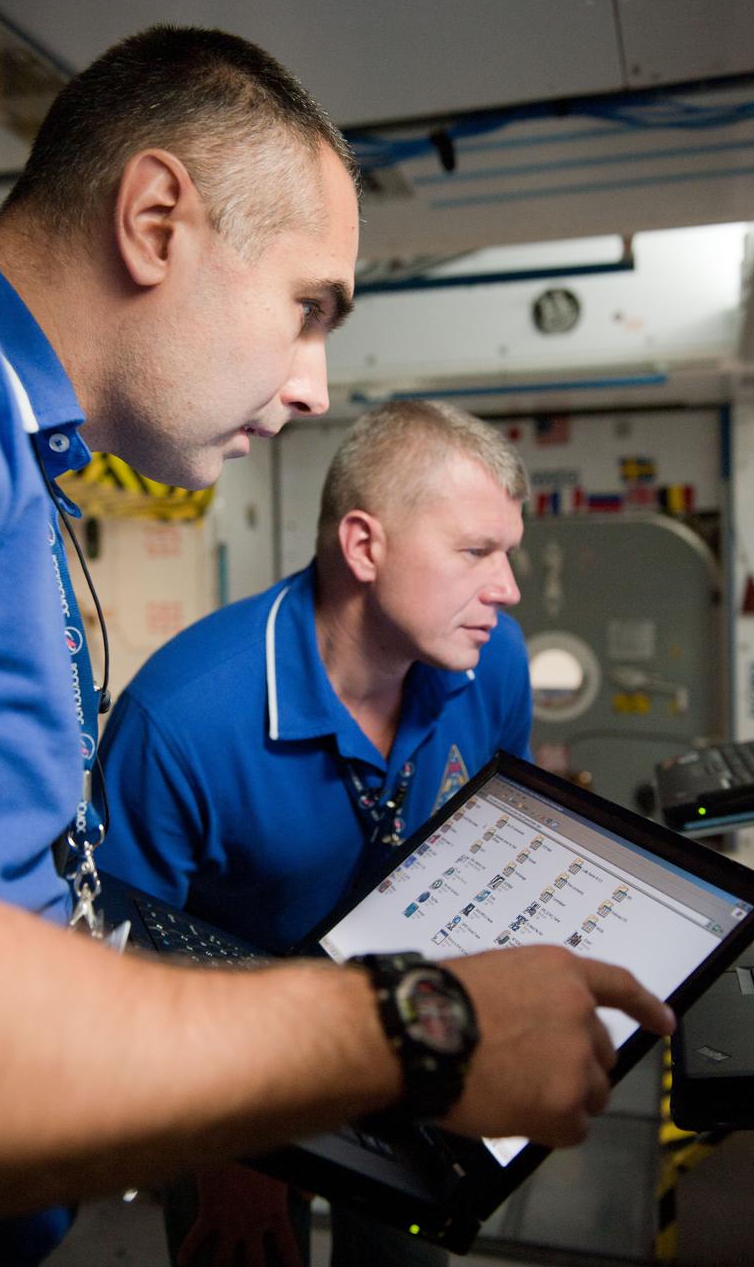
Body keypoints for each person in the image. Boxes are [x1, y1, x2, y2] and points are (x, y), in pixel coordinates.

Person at [0, 19, 675, 1267]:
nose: (314, 386)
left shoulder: (11, 439)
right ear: (157, 221)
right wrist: (411, 1030)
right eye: (304, 307)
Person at [98, 398, 532, 1265]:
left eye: (509, 554)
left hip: (405, 1033)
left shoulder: (493, 660)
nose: (507, 589)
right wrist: (228, 1142)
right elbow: (116, 972)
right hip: (223, 1069)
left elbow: (495, 845)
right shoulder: (181, 720)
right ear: (364, 547)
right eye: (475, 552)